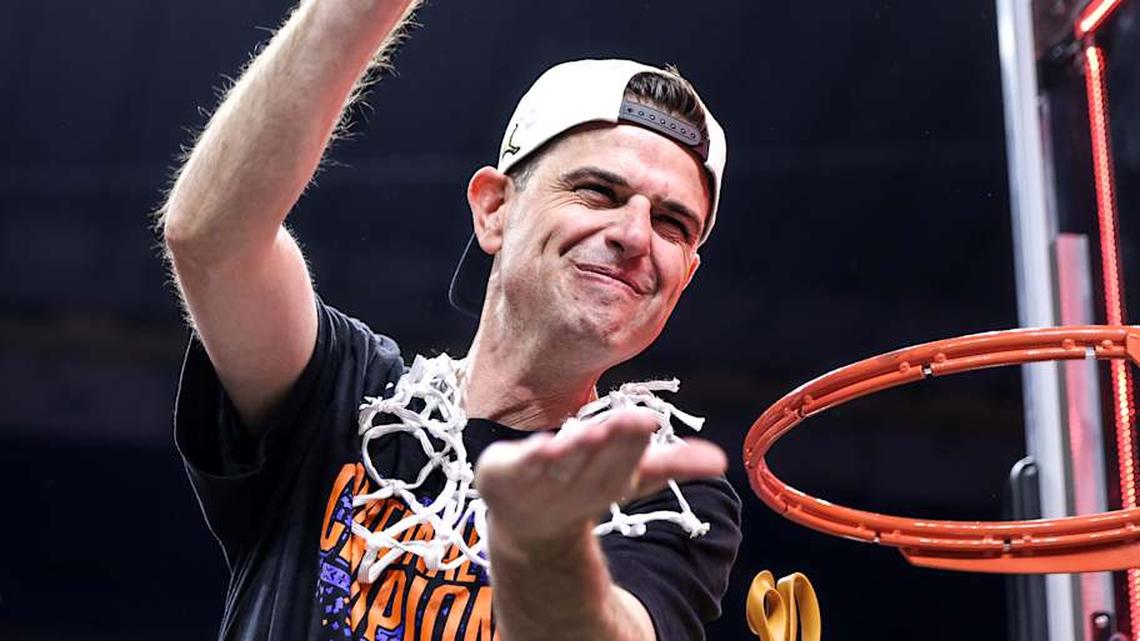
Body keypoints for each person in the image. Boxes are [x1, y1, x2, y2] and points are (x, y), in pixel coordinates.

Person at [159, 1, 742, 640]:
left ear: (684, 276)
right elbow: (213, 241)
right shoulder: (347, 395)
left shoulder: (664, 490)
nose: (634, 235)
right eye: (598, 192)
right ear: (494, 209)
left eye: (671, 224)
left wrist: (548, 560)